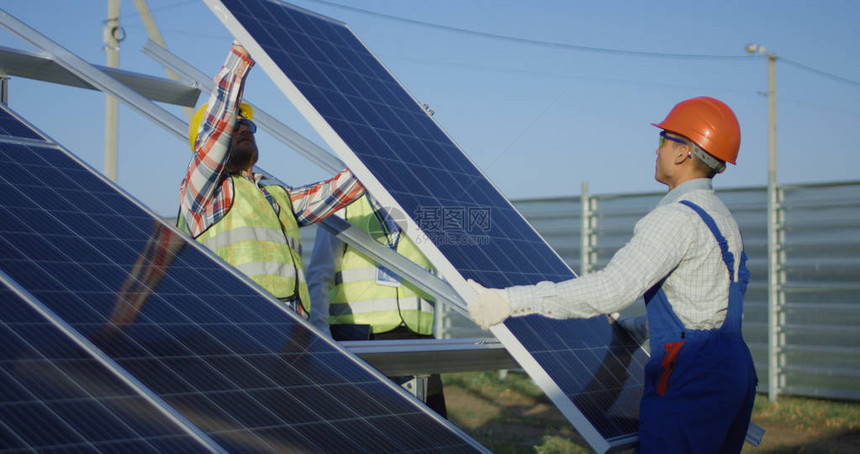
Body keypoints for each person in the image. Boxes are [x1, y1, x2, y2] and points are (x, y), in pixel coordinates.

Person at [468, 97, 757, 453]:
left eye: (664, 140)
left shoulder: (675, 219)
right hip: (734, 370)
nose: (657, 149)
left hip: (690, 373)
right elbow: (705, 304)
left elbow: (612, 288)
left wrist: (510, 300)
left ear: (683, 153)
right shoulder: (721, 217)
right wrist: (637, 327)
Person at [179, 42, 364, 317]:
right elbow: (217, 126)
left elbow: (336, 192)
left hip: (291, 328)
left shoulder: (275, 194)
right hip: (236, 325)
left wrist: (387, 155)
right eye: (235, 124)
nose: (243, 128)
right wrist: (240, 55)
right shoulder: (206, 192)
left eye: (248, 125)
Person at [307, 193, 447, 417]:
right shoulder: (344, 207)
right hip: (360, 338)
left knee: (432, 428)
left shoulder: (421, 211)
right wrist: (322, 337)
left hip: (417, 337)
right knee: (367, 428)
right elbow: (319, 276)